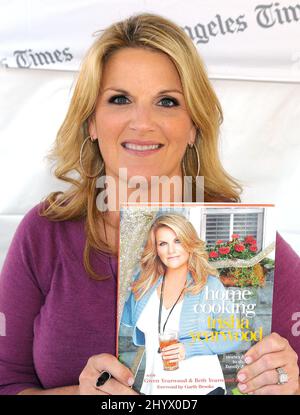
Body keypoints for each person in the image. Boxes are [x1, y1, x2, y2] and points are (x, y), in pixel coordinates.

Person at [0, 13, 299, 395]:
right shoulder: (45, 233)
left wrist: (291, 383)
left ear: (194, 126)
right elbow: (7, 382)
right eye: (120, 99)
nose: (142, 122)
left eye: (167, 101)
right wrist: (80, 394)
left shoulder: (241, 242)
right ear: (91, 120)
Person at [121, 213, 247, 395]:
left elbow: (234, 336)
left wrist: (188, 348)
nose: (171, 250)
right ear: (155, 249)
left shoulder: (208, 285)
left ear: (189, 243)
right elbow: (123, 316)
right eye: (163, 244)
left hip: (202, 389)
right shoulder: (146, 283)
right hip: (155, 389)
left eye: (178, 241)